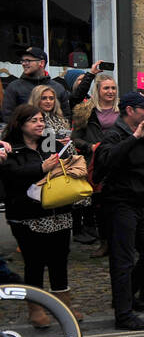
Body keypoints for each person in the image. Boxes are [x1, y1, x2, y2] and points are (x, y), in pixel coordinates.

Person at [92, 91, 144, 330]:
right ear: (130, 111)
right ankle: (124, 314)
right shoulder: (114, 135)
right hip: (119, 206)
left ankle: (129, 296)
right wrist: (135, 137)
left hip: (141, 205)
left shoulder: (143, 135)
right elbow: (105, 163)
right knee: (123, 260)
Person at [0, 105, 80, 324]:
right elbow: (10, 176)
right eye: (33, 120)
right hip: (27, 215)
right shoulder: (10, 149)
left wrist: (69, 157)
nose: (40, 124)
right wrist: (41, 168)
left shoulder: (50, 143)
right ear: (20, 124)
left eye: (41, 120)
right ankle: (35, 308)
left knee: (59, 261)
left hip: (58, 211)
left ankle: (64, 305)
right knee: (34, 263)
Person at [2, 46, 69, 124]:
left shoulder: (58, 88)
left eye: (28, 60)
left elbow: (66, 116)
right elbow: (7, 117)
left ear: (42, 63)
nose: (23, 63)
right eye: (22, 60)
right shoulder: (13, 87)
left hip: (55, 135)